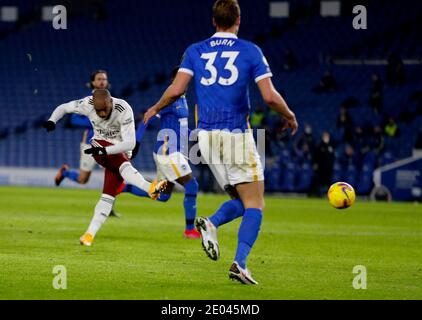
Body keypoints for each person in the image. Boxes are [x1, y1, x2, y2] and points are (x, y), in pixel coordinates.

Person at [143, 0, 298, 284]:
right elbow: (269, 97)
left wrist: (155, 107)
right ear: (238, 19)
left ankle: (211, 222)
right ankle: (240, 263)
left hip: (205, 137)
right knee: (255, 204)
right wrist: (289, 115)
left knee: (240, 200)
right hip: (235, 134)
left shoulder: (195, 50)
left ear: (214, 21)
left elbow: (177, 90)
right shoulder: (250, 51)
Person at [43, 89, 167, 246]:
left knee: (108, 196)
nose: (101, 114)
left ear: (110, 102)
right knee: (121, 166)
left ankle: (88, 235)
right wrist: (52, 120)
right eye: (98, 110)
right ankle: (150, 188)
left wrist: (108, 150)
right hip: (98, 146)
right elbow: (64, 107)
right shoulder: (87, 104)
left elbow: (130, 143)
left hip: (118, 152)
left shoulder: (123, 108)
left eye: (104, 109)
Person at [119, 66, 201, 239]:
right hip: (168, 151)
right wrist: (137, 143)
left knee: (162, 195)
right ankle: (189, 230)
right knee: (191, 185)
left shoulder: (183, 99)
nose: (184, 82)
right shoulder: (169, 98)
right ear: (173, 80)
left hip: (176, 151)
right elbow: (147, 117)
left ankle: (123, 187)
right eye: (181, 78)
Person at [54, 70, 120, 217]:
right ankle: (65, 172)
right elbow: (74, 120)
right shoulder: (87, 101)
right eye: (99, 79)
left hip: (108, 144)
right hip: (90, 144)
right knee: (83, 179)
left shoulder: (113, 101)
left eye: (104, 79)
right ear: (93, 83)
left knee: (112, 174)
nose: (102, 81)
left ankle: (108, 208)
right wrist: (94, 122)